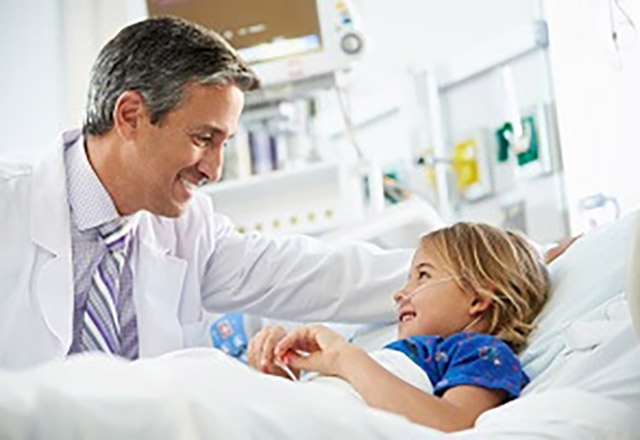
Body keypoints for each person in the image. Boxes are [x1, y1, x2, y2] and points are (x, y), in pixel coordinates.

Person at [0, 16, 412, 369]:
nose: (213, 171)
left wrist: (455, 277)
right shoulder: (9, 204)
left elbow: (317, 276)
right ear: (130, 117)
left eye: (224, 144)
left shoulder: (189, 230)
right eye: (203, 138)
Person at [248, 222, 550, 432]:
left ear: (478, 298)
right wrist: (283, 373)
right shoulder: (391, 352)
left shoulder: (481, 353)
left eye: (423, 275)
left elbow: (453, 425)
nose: (400, 293)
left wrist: (344, 358)